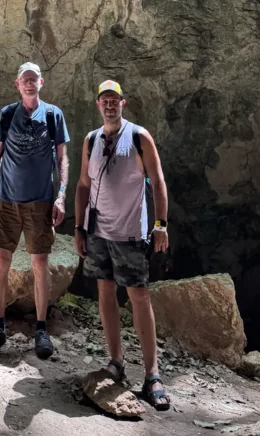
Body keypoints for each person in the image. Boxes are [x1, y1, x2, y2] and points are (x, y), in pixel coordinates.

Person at [74, 79, 171, 411]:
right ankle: (116, 360)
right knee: (104, 292)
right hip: (99, 232)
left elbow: (157, 182)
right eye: (105, 100)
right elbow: (83, 185)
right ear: (98, 104)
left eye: (115, 99)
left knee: (139, 297)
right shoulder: (91, 140)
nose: (110, 105)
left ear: (123, 103)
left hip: (130, 234)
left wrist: (160, 224)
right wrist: (79, 227)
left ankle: (152, 374)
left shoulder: (139, 137)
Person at [0, 62, 69, 359]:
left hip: (40, 201)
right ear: (18, 84)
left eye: (33, 80)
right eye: (24, 80)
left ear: (41, 82)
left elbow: (63, 159)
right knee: (1, 259)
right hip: (7, 199)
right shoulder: (7, 114)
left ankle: (41, 329)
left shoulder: (53, 115)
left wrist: (61, 196)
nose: (29, 84)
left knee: (40, 262)